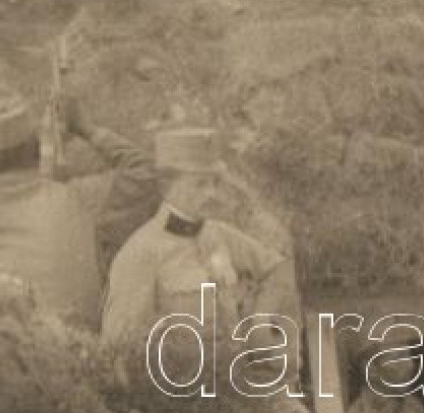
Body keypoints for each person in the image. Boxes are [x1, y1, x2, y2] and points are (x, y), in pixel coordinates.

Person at [0, 80, 161, 328]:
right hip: (77, 344)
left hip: (10, 340)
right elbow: (145, 171)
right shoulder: (79, 197)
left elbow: (23, 196)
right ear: (35, 143)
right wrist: (85, 128)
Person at [99, 127, 288, 356]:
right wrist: (178, 344)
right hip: (179, 385)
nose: (211, 193)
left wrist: (261, 320)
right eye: (199, 184)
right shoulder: (141, 253)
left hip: (234, 377)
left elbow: (277, 267)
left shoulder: (217, 233)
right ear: (166, 187)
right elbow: (118, 343)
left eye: (214, 183)